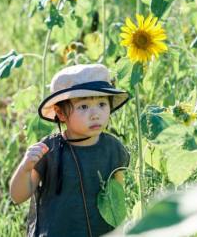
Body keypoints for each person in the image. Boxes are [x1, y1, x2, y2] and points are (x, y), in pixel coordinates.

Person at [9, 64, 131, 237]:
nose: (95, 114)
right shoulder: (49, 150)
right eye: (83, 107)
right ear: (60, 113)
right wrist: (25, 168)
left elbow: (118, 198)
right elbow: (18, 196)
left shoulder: (113, 148)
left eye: (102, 104)